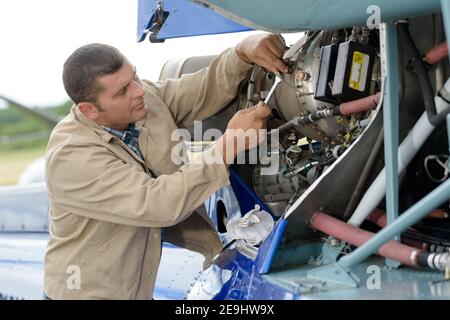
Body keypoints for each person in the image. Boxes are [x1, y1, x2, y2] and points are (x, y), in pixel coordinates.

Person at [44, 33, 288, 299]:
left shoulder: (143, 99)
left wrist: (242, 52)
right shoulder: (71, 157)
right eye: (123, 91)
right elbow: (156, 203)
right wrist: (228, 146)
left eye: (134, 77)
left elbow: (202, 89)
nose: (138, 91)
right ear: (89, 110)